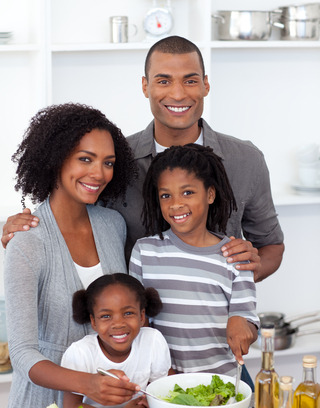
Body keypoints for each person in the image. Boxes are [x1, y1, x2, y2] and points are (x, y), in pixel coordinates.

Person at [1, 36, 284, 283]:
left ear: (205, 86)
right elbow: (70, 218)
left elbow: (271, 245)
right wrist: (27, 229)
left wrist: (245, 273)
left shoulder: (246, 160)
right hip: (130, 334)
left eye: (190, 80)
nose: (177, 93)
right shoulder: (115, 160)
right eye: (163, 81)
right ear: (145, 86)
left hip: (214, 333)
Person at [4, 103, 144, 408]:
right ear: (55, 159)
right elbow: (22, 354)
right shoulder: (26, 242)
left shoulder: (112, 225)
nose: (99, 173)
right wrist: (86, 383)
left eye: (108, 163)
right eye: (85, 159)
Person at [129, 144, 260, 379]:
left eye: (187, 192)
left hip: (221, 384)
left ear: (210, 194)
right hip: (163, 384)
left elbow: (247, 320)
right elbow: (139, 321)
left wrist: (242, 324)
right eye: (166, 195)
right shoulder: (144, 252)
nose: (176, 204)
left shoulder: (234, 255)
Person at [61, 273, 171, 408]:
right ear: (93, 321)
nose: (118, 324)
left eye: (128, 313)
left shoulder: (153, 341)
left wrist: (150, 405)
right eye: (106, 316)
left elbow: (161, 390)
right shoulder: (80, 353)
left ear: (142, 316)